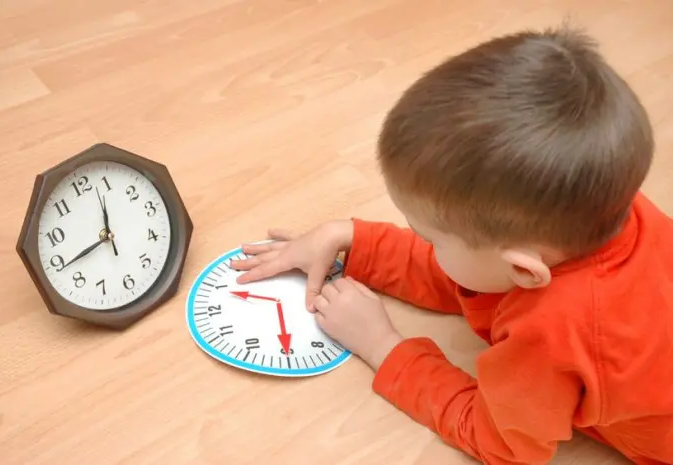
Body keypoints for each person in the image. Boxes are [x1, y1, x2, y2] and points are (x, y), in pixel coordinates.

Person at [230, 24, 673, 465]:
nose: (422, 241)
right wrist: (352, 238)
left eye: (429, 237)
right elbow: (477, 272)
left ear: (524, 271)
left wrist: (381, 344)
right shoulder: (594, 203)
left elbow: (499, 443)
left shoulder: (553, 334)